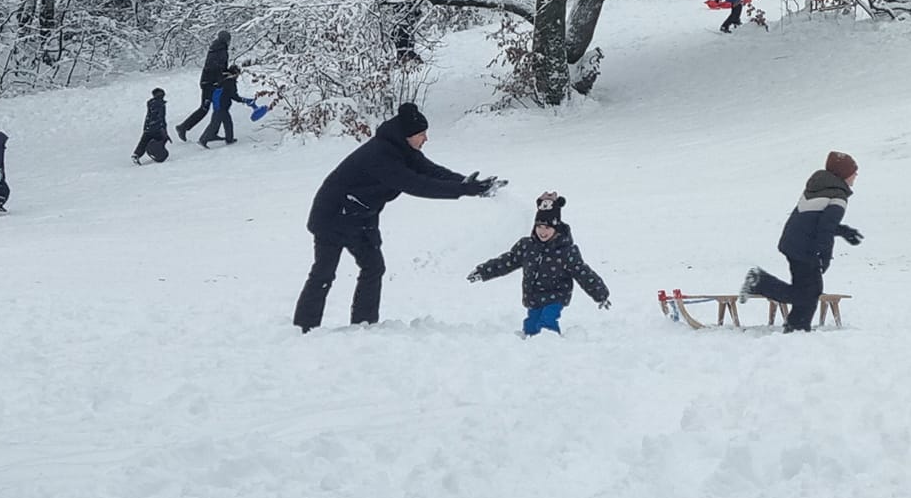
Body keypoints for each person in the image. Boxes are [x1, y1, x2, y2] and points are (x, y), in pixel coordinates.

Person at [292, 103, 500, 331]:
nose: (426, 139)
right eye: (421, 134)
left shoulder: (403, 149)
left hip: (362, 216)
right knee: (324, 273)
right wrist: (464, 191)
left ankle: (364, 325)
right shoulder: (380, 155)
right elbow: (417, 184)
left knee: (373, 267)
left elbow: (430, 171)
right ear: (408, 135)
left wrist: (466, 183)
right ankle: (304, 328)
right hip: (331, 216)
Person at [741, 152, 861, 333]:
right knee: (809, 293)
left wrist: (844, 231)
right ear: (843, 174)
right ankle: (759, 282)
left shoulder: (821, 187)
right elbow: (824, 229)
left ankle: (796, 327)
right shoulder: (838, 196)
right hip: (804, 248)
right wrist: (825, 257)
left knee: (807, 292)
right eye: (853, 171)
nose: (856, 175)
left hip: (794, 243)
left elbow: (816, 221)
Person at [469, 193, 611, 336]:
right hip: (534, 296)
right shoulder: (527, 246)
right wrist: (483, 271)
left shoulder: (566, 251)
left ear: (556, 228)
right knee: (531, 325)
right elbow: (508, 261)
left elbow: (583, 273)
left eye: (547, 228)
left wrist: (600, 294)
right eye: (539, 227)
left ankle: (552, 345)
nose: (543, 232)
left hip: (556, 295)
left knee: (547, 321)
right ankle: (530, 347)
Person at [175, 30, 232, 142]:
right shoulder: (221, 51)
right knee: (207, 108)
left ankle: (212, 132)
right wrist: (222, 78)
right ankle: (183, 127)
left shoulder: (215, 48)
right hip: (210, 84)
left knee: (217, 108)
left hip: (208, 82)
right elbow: (216, 68)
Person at [197, 64, 247, 147]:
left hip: (219, 105)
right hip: (221, 106)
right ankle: (203, 140)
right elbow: (233, 95)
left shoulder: (223, 78)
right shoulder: (230, 81)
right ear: (235, 73)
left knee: (227, 123)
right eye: (238, 74)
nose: (238, 76)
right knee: (215, 124)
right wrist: (243, 100)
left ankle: (229, 139)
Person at [133, 88, 171, 165]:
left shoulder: (151, 103)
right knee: (162, 139)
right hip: (157, 128)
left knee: (144, 141)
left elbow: (149, 116)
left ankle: (136, 154)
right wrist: (163, 130)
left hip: (148, 127)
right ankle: (156, 153)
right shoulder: (160, 104)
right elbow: (161, 118)